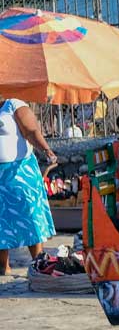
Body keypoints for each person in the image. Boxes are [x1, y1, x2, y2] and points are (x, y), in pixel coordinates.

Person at [0, 99, 57, 276]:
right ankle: (3, 267)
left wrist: (46, 150)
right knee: (1, 222)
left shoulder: (13, 105)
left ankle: (38, 263)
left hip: (20, 172)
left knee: (29, 216)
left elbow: (31, 132)